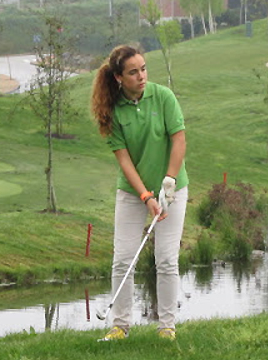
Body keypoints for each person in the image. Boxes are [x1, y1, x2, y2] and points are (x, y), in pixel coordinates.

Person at [90, 45, 188, 341]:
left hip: (172, 188)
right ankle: (120, 325)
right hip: (133, 193)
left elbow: (179, 139)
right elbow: (123, 159)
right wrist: (146, 196)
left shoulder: (163, 96)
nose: (141, 76)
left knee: (167, 259)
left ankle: (167, 326)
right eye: (133, 72)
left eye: (143, 69)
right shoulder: (112, 111)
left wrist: (168, 182)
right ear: (119, 77)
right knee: (123, 259)